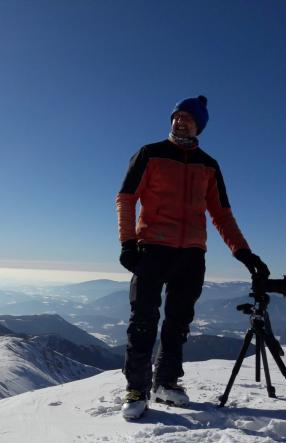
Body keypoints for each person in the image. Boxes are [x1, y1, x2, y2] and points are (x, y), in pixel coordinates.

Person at [115, 95, 270, 420]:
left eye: (188, 117)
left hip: (192, 254)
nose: (180, 121)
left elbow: (222, 215)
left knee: (178, 324)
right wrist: (128, 242)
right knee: (143, 321)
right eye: (176, 116)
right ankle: (136, 389)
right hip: (152, 249)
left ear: (199, 124)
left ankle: (165, 383)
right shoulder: (150, 153)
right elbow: (127, 198)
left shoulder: (209, 165)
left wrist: (243, 252)